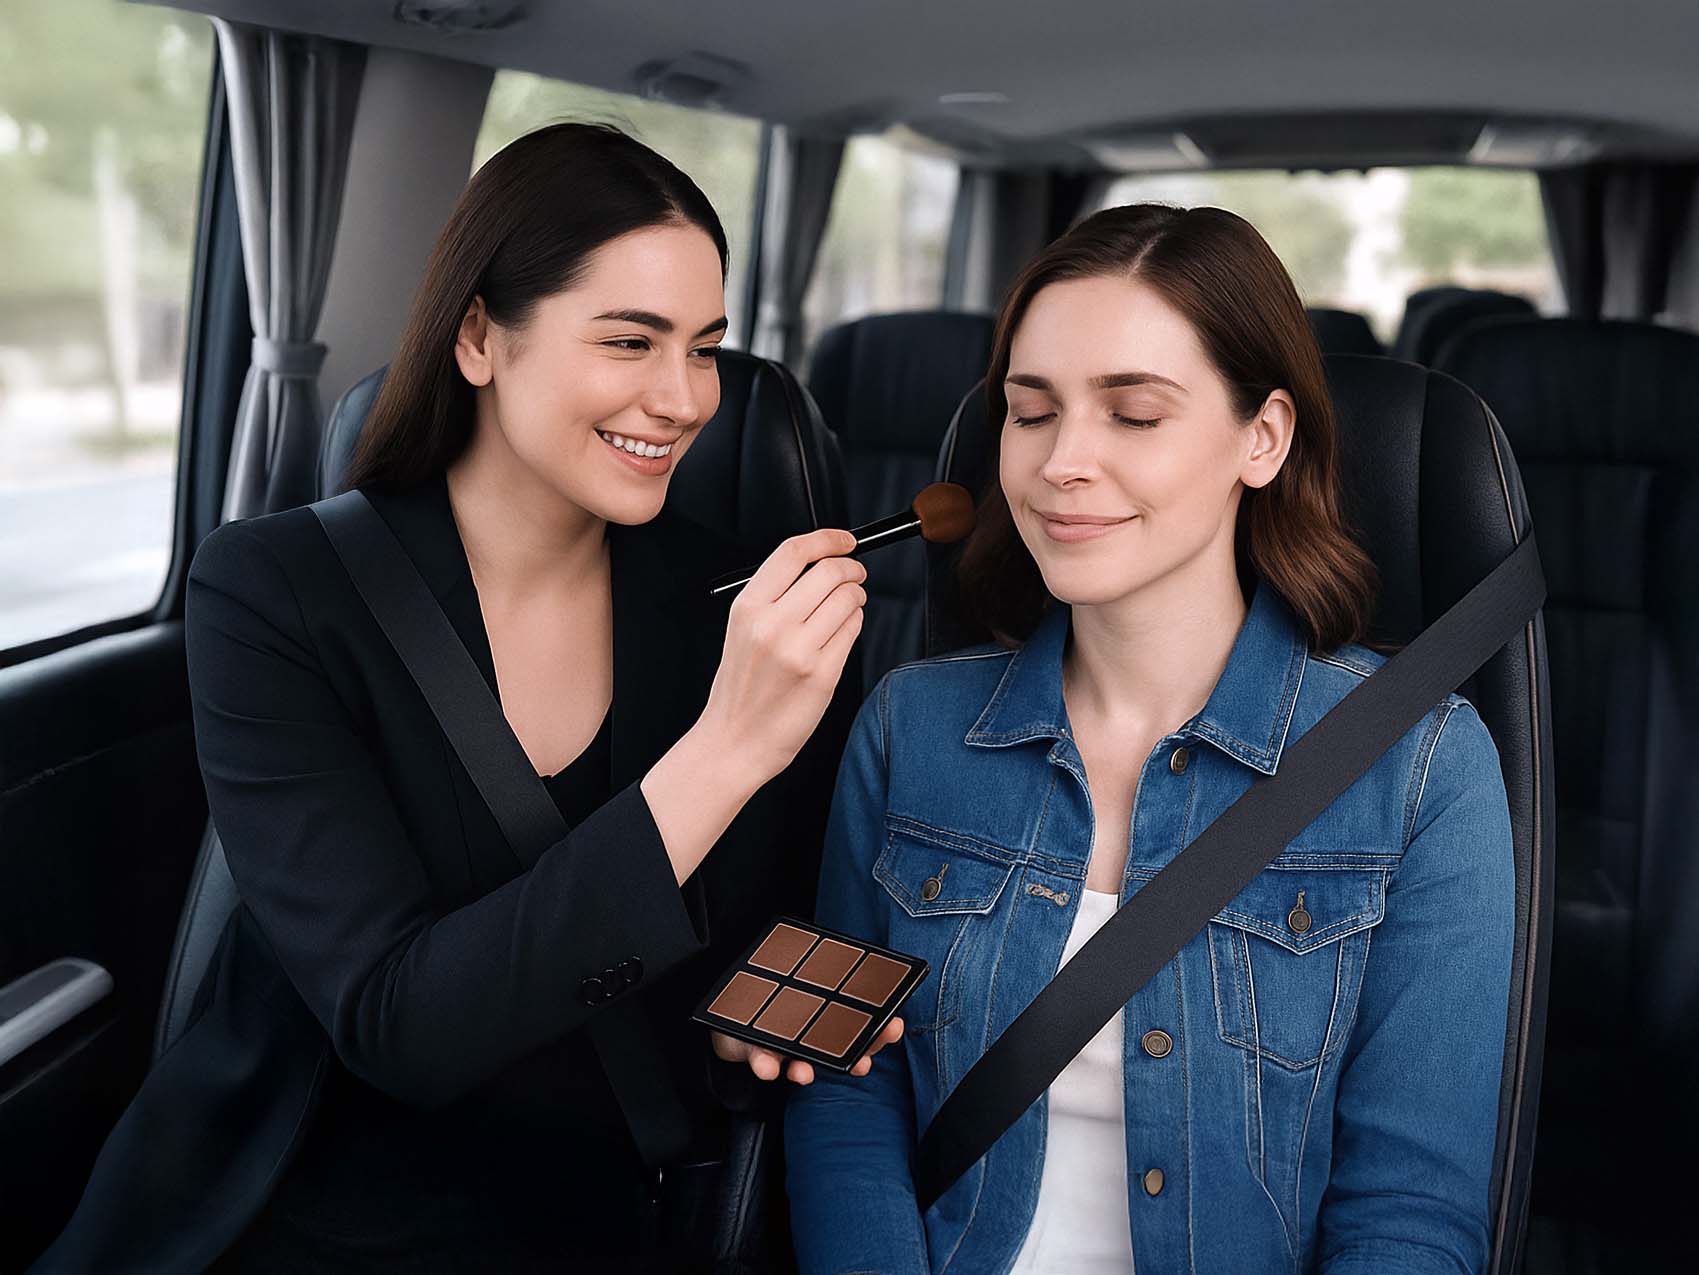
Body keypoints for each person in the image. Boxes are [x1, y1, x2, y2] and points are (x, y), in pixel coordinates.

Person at [35, 122, 897, 1274]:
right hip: (285, 1197)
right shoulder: (275, 591)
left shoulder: (729, 610)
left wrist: (763, 1020)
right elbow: (399, 1024)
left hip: (572, 1205)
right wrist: (727, 746)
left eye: (705, 348)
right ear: (481, 337)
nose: (686, 397)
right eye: (632, 341)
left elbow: (737, 949)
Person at [785, 203, 1515, 1273]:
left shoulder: (1421, 770)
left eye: (1133, 415)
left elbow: (1409, 1213)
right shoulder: (907, 728)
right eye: (1030, 414)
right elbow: (847, 1098)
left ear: (1260, 439)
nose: (1060, 463)